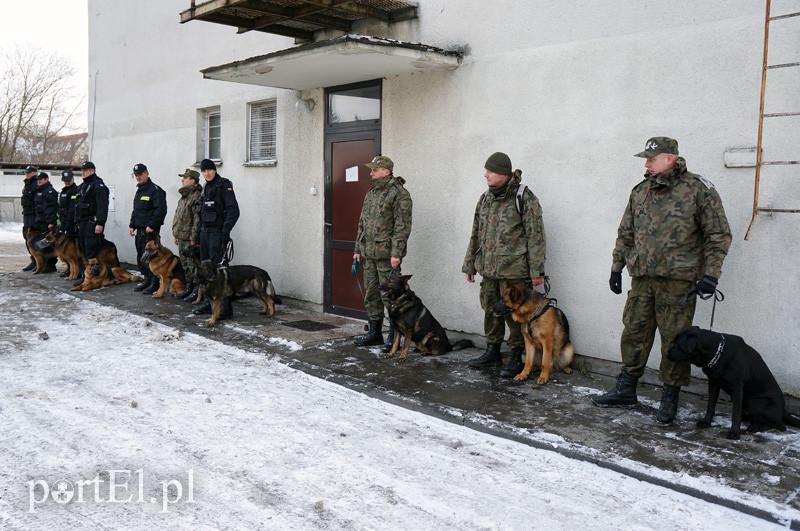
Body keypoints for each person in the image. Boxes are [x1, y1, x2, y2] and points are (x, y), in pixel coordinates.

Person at [592, 137, 732, 424]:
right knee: (634, 332)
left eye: (651, 158)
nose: (646, 164)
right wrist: (616, 267)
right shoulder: (640, 191)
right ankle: (626, 388)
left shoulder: (697, 189)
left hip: (678, 282)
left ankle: (670, 397)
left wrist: (710, 275)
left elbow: (718, 235)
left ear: (669, 158)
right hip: (642, 278)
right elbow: (626, 232)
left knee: (675, 341)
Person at [462, 152, 546, 377]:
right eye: (486, 170)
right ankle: (492, 351)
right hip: (488, 270)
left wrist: (537, 270)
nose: (485, 174)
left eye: (490, 171)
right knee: (490, 310)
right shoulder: (486, 198)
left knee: (514, 314)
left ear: (503, 173)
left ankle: (516, 356)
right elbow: (476, 234)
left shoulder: (523, 197)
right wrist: (470, 264)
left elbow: (535, 236)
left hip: (514, 271)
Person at [352, 155, 413, 348]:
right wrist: (357, 249)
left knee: (391, 298)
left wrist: (396, 254)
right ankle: (375, 333)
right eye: (371, 170)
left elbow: (402, 227)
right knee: (371, 295)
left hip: (387, 256)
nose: (371, 173)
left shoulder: (399, 194)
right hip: (369, 254)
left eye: (374, 170)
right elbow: (362, 223)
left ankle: (393, 337)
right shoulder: (371, 193)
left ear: (386, 171)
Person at [192, 159, 240, 318]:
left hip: (217, 233)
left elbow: (233, 210)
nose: (207, 173)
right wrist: (198, 234)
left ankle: (225, 309)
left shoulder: (223, 185)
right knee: (205, 270)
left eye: (209, 170)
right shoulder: (206, 187)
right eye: (204, 171)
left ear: (215, 170)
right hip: (205, 233)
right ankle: (208, 303)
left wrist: (225, 231)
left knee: (218, 270)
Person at [128, 163, 167, 295]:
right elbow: (136, 211)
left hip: (150, 231)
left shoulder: (155, 190)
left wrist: (152, 225)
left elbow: (160, 210)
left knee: (151, 257)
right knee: (141, 256)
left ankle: (155, 283)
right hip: (140, 230)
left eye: (140, 174)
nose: (138, 177)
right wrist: (132, 225)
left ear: (147, 173)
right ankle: (147, 279)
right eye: (136, 175)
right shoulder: (140, 190)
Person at [74, 161, 109, 285]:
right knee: (83, 250)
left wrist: (100, 223)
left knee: (91, 251)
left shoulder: (98, 186)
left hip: (92, 224)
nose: (83, 172)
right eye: (82, 170)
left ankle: (94, 278)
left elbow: (102, 207)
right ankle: (86, 276)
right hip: (82, 224)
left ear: (92, 171)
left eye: (86, 170)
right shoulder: (83, 186)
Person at [172, 168, 202, 301]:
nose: (182, 180)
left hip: (190, 239)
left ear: (193, 180)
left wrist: (193, 238)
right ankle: (189, 287)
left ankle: (197, 290)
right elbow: (179, 216)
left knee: (193, 266)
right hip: (182, 237)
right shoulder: (184, 196)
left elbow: (197, 219)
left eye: (185, 178)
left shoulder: (196, 196)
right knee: (185, 266)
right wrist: (176, 234)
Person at [31, 172, 59, 273]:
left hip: (48, 223)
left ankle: (51, 265)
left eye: (41, 179)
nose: (39, 180)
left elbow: (51, 209)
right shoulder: (39, 191)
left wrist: (51, 222)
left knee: (49, 245)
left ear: (46, 179)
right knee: (41, 245)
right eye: (38, 179)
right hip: (40, 222)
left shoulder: (50, 191)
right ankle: (43, 265)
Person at [58, 170, 80, 277]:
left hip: (72, 224)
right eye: (65, 181)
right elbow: (61, 208)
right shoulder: (63, 191)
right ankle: (69, 269)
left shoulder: (75, 191)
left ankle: (78, 271)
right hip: (64, 223)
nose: (66, 182)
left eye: (68, 180)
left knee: (74, 251)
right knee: (65, 250)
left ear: (72, 179)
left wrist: (69, 223)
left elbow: (72, 210)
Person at [20, 165, 39, 271]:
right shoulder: (27, 184)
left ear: (35, 172)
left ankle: (38, 260)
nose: (27, 174)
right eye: (26, 172)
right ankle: (33, 260)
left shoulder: (37, 183)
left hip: (34, 215)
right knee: (26, 237)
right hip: (27, 214)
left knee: (34, 238)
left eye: (29, 172)